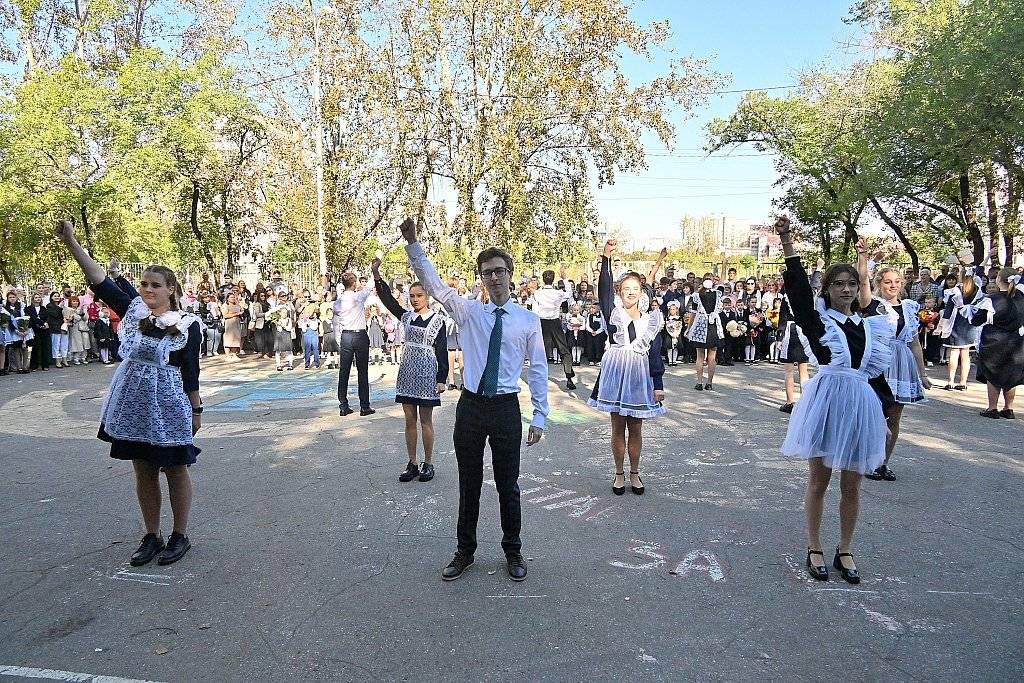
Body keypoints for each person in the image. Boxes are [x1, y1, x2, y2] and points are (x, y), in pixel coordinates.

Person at [402, 217, 547, 583]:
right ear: (481, 278)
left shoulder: (527, 321)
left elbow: (540, 369)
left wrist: (540, 416)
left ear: (511, 275)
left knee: (507, 483)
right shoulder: (468, 312)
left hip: (505, 409)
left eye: (499, 271)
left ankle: (513, 550)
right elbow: (434, 285)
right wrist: (414, 245)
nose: (494, 278)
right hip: (471, 406)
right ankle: (464, 551)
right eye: (487, 273)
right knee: (468, 482)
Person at [56, 220, 202, 567]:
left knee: (176, 468)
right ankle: (152, 534)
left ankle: (180, 535)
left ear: (171, 290)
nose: (147, 289)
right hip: (133, 404)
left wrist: (197, 411)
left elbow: (190, 371)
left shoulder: (187, 324)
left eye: (155, 285)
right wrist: (72, 242)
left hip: (167, 405)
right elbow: (100, 280)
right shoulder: (134, 309)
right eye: (144, 284)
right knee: (143, 468)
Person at [776, 216, 893, 584]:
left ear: (860, 288)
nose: (845, 290)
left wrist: (884, 414)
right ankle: (814, 546)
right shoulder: (818, 322)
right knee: (819, 480)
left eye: (851, 284)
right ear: (827, 289)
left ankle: (845, 548)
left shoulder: (871, 325)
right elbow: (796, 292)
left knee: (852, 485)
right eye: (838, 284)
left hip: (859, 406)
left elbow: (875, 375)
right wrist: (787, 243)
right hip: (827, 403)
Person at [587, 239, 666, 497]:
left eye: (635, 289)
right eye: (625, 289)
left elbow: (655, 353)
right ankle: (618, 473)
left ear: (642, 293)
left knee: (636, 428)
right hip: (615, 373)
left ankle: (635, 472)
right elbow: (604, 288)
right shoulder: (612, 313)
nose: (630, 292)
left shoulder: (651, 321)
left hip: (639, 376)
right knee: (617, 426)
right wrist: (606, 257)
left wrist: (658, 385)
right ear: (620, 292)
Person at [372, 258, 449, 483]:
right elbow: (388, 300)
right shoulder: (406, 317)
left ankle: (428, 463)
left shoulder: (438, 321)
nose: (415, 300)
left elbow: (442, 350)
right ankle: (412, 462)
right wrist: (377, 276)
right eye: (412, 296)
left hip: (427, 373)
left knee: (426, 420)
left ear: (427, 297)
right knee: (408, 420)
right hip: (407, 371)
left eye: (419, 296)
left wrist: (442, 377)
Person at [859, 261, 931, 481]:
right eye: (888, 281)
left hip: (902, 364)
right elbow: (862, 282)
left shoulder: (909, 307)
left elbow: (914, 343)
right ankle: (869, 461)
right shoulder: (874, 305)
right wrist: (863, 258)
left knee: (894, 417)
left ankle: (883, 463)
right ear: (879, 283)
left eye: (897, 282)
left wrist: (923, 374)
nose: (893, 285)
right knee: (875, 415)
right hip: (880, 362)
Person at [974, 268, 1024, 419]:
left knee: (993, 374)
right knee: (1011, 374)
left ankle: (992, 408)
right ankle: (1008, 408)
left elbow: (976, 319)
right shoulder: (1021, 297)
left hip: (994, 342)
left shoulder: (992, 299)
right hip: (1017, 341)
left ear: (998, 279)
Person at [334, 270, 376, 417]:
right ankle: (364, 406)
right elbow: (370, 286)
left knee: (344, 371)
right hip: (359, 334)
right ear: (353, 283)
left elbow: (336, 319)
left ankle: (343, 405)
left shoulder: (338, 302)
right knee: (362, 371)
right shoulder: (357, 297)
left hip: (346, 335)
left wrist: (338, 338)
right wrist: (375, 269)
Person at [533, 267, 577, 390]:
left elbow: (534, 312)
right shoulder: (557, 293)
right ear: (553, 280)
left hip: (542, 322)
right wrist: (565, 278)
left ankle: (538, 379)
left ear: (543, 279)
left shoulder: (538, 293)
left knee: (540, 351)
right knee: (564, 350)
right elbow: (569, 294)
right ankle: (569, 378)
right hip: (554, 322)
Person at [940, 269, 984, 390]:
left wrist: (941, 326)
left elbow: (948, 309)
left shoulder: (955, 290)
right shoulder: (977, 289)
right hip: (969, 323)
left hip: (957, 322)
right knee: (965, 354)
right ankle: (963, 382)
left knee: (954, 353)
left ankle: (950, 381)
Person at [684, 275, 723, 391]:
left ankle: (699, 382)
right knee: (712, 357)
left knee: (700, 356)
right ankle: (709, 382)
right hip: (713, 325)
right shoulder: (717, 294)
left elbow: (693, 314)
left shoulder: (697, 295)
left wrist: (689, 328)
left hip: (701, 326)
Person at [777, 290, 811, 413]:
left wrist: (779, 338)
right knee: (804, 370)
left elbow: (783, 318)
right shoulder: (807, 295)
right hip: (805, 332)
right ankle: (804, 402)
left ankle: (790, 402)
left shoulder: (787, 297)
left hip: (789, 331)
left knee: (789, 371)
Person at [3, 290, 33, 374]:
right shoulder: (6, 308)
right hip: (14, 331)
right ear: (8, 299)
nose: (12, 299)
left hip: (25, 329)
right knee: (16, 348)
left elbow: (28, 317)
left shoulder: (22, 305)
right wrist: (16, 331)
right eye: (10, 297)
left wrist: (26, 329)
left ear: (16, 298)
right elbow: (8, 321)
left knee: (25, 347)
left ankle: (25, 366)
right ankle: (19, 367)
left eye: (13, 297)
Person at [28, 292, 51, 370]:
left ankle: (45, 365)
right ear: (33, 299)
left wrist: (45, 324)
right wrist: (42, 323)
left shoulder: (43, 308)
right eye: (36, 297)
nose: (38, 299)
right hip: (34, 330)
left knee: (45, 347)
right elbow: (33, 318)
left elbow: (47, 317)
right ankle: (34, 365)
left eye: (39, 297)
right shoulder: (29, 308)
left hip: (44, 329)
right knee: (35, 347)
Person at [222, 292, 244, 358]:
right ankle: (228, 355)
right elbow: (225, 315)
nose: (233, 298)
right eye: (231, 297)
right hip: (229, 324)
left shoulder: (237, 305)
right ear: (227, 299)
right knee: (229, 338)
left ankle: (234, 354)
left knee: (236, 338)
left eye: (234, 297)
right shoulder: (225, 305)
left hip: (237, 323)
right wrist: (236, 314)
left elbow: (241, 311)